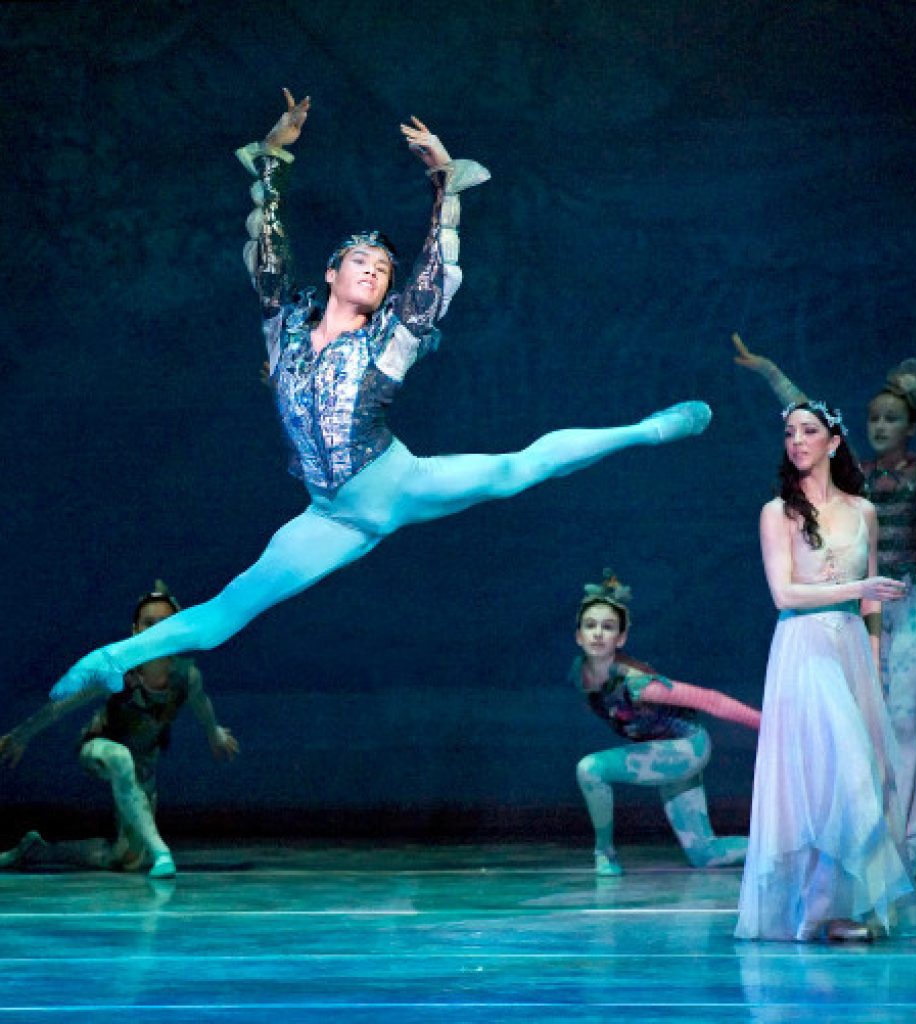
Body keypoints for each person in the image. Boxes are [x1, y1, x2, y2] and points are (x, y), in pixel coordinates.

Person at [49, 90, 712, 702]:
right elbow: (271, 245)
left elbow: (430, 274)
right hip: (329, 515)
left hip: (395, 483)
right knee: (229, 611)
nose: (373, 267)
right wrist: (275, 156)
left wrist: (443, 181)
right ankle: (114, 657)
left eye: (382, 267)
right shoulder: (282, 322)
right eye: (360, 260)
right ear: (332, 271)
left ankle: (645, 429)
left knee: (517, 469)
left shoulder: (387, 339)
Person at [732, 304, 916, 870]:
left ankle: (909, 835)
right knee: (862, 721)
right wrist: (769, 373)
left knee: (901, 719)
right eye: (874, 418)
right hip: (851, 609)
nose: (880, 427)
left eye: (892, 419)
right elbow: (811, 423)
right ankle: (870, 831)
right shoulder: (853, 480)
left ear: (910, 426)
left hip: (908, 607)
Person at [735, 401, 914, 942]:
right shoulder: (778, 512)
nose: (797, 441)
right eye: (789, 432)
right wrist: (857, 589)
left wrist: (876, 673)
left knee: (859, 775)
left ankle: (834, 907)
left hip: (852, 652)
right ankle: (817, 906)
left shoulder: (863, 511)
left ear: (833, 442)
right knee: (832, 778)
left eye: (809, 431)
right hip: (804, 647)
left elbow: (872, 605)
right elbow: (784, 592)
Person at [0, 584, 238, 879]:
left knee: (126, 858)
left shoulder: (185, 676)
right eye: (149, 625)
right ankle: (161, 850)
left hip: (144, 765)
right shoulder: (117, 673)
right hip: (100, 747)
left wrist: (214, 733)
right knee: (120, 757)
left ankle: (38, 851)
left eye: (166, 625)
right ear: (135, 631)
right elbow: (61, 706)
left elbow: (201, 704)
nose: (157, 632)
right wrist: (21, 735)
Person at [572, 570, 761, 876]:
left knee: (590, 769)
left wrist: (770, 727)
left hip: (684, 749)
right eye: (590, 626)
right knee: (705, 854)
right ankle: (783, 850)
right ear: (578, 635)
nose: (597, 634)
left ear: (621, 638)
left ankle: (604, 852)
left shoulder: (637, 683)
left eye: (607, 628)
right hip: (662, 751)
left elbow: (711, 700)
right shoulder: (581, 672)